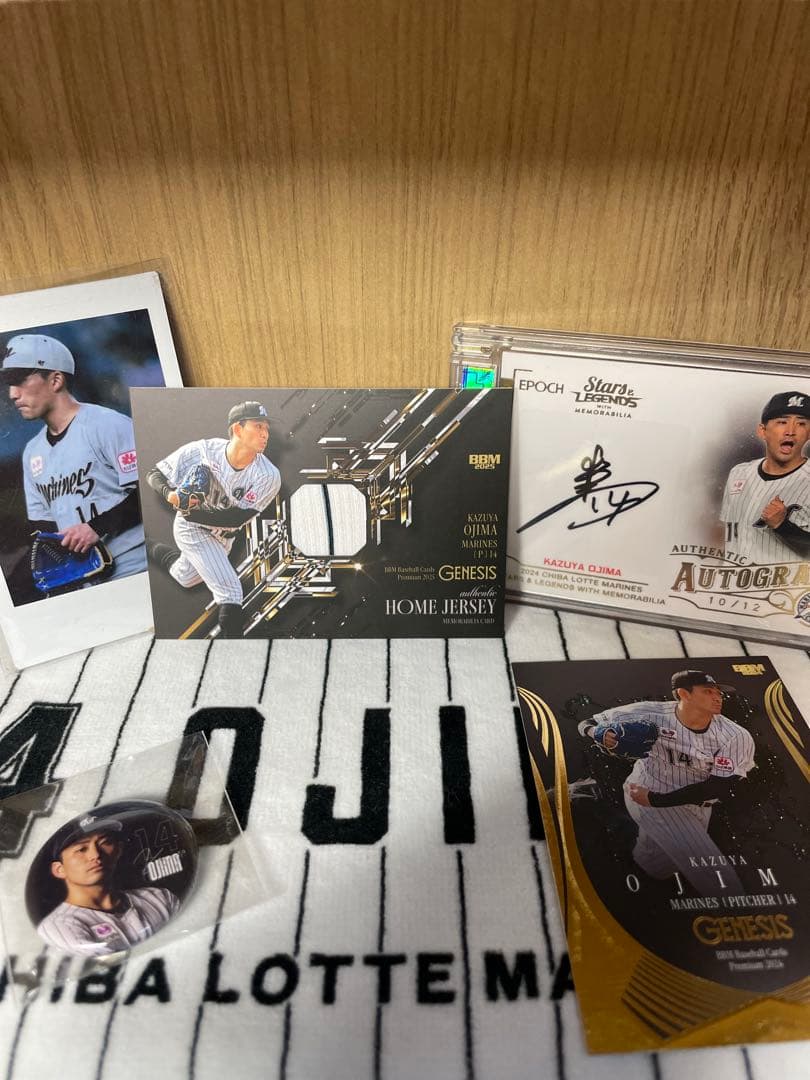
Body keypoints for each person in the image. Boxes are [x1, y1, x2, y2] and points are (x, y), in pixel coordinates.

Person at [579, 670, 756, 895]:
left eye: (718, 692)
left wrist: (655, 800)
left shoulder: (735, 735)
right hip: (647, 793)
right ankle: (739, 911)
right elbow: (587, 722)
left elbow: (717, 787)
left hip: (690, 803)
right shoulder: (651, 713)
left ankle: (624, 845)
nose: (717, 697)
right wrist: (597, 733)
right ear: (684, 694)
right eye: (708, 691)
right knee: (717, 876)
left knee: (657, 867)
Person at [1, 333, 146, 584]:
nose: (13, 394)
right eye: (9, 384)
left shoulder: (107, 425)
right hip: (83, 579)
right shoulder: (33, 452)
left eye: (21, 381)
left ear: (55, 380)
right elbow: (43, 525)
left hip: (138, 564)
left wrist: (96, 527)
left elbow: (153, 490)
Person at [146, 401, 281, 638]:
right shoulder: (204, 451)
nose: (265, 434)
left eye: (266, 428)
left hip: (224, 535)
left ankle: (145, 545)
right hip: (192, 529)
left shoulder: (268, 475)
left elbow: (237, 518)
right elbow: (154, 474)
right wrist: (171, 495)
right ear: (238, 429)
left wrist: (190, 510)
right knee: (230, 591)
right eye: (258, 426)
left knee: (185, 577)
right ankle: (233, 652)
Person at [37, 813, 178, 956]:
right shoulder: (57, 925)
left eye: (104, 843)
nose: (96, 855)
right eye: (81, 849)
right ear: (59, 869)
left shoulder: (159, 897)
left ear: (118, 850)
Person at [721, 391, 810, 562]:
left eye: (801, 424)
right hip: (733, 577)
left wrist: (783, 526)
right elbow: (730, 534)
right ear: (762, 431)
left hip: (788, 579)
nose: (790, 431)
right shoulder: (738, 473)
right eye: (782, 422)